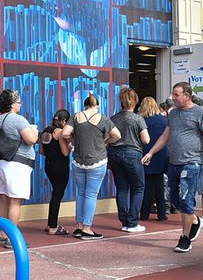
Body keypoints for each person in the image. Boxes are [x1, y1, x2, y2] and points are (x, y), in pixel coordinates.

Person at [142, 82, 203, 253]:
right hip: (173, 162)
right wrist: (151, 152)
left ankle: (185, 238)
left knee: (185, 199)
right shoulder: (173, 114)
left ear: (187, 95)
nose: (173, 98)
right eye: (173, 95)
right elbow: (165, 135)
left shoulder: (201, 114)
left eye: (176, 95)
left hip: (192, 162)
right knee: (174, 199)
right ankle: (196, 221)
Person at [62, 94, 121, 240]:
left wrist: (75, 140)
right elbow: (117, 135)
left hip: (78, 160)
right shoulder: (102, 118)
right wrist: (105, 141)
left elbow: (64, 133)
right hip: (97, 161)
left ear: (85, 105)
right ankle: (87, 228)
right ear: (97, 105)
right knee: (91, 195)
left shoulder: (76, 117)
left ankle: (79, 226)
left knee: (81, 193)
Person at [0, 89, 38, 248]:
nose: (20, 104)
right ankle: (12, 238)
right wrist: (34, 130)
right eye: (19, 102)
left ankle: (2, 234)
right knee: (15, 202)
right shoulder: (17, 119)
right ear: (12, 104)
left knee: (2, 199)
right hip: (16, 165)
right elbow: (31, 139)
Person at [108, 87, 150, 232]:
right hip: (132, 153)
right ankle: (133, 222)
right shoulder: (138, 118)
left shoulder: (114, 118)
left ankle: (124, 221)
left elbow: (109, 137)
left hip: (114, 153)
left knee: (122, 187)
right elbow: (146, 140)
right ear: (135, 101)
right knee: (138, 187)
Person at [40, 109, 71, 235]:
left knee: (55, 194)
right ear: (64, 121)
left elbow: (42, 151)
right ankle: (53, 226)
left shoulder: (44, 131)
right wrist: (69, 144)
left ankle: (50, 223)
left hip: (49, 165)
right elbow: (65, 152)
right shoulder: (59, 132)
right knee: (57, 195)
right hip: (60, 166)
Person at [138, 96, 168, 222]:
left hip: (146, 154)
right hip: (161, 154)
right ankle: (162, 213)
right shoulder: (164, 120)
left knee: (147, 185)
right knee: (160, 185)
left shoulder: (141, 120)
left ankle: (144, 213)